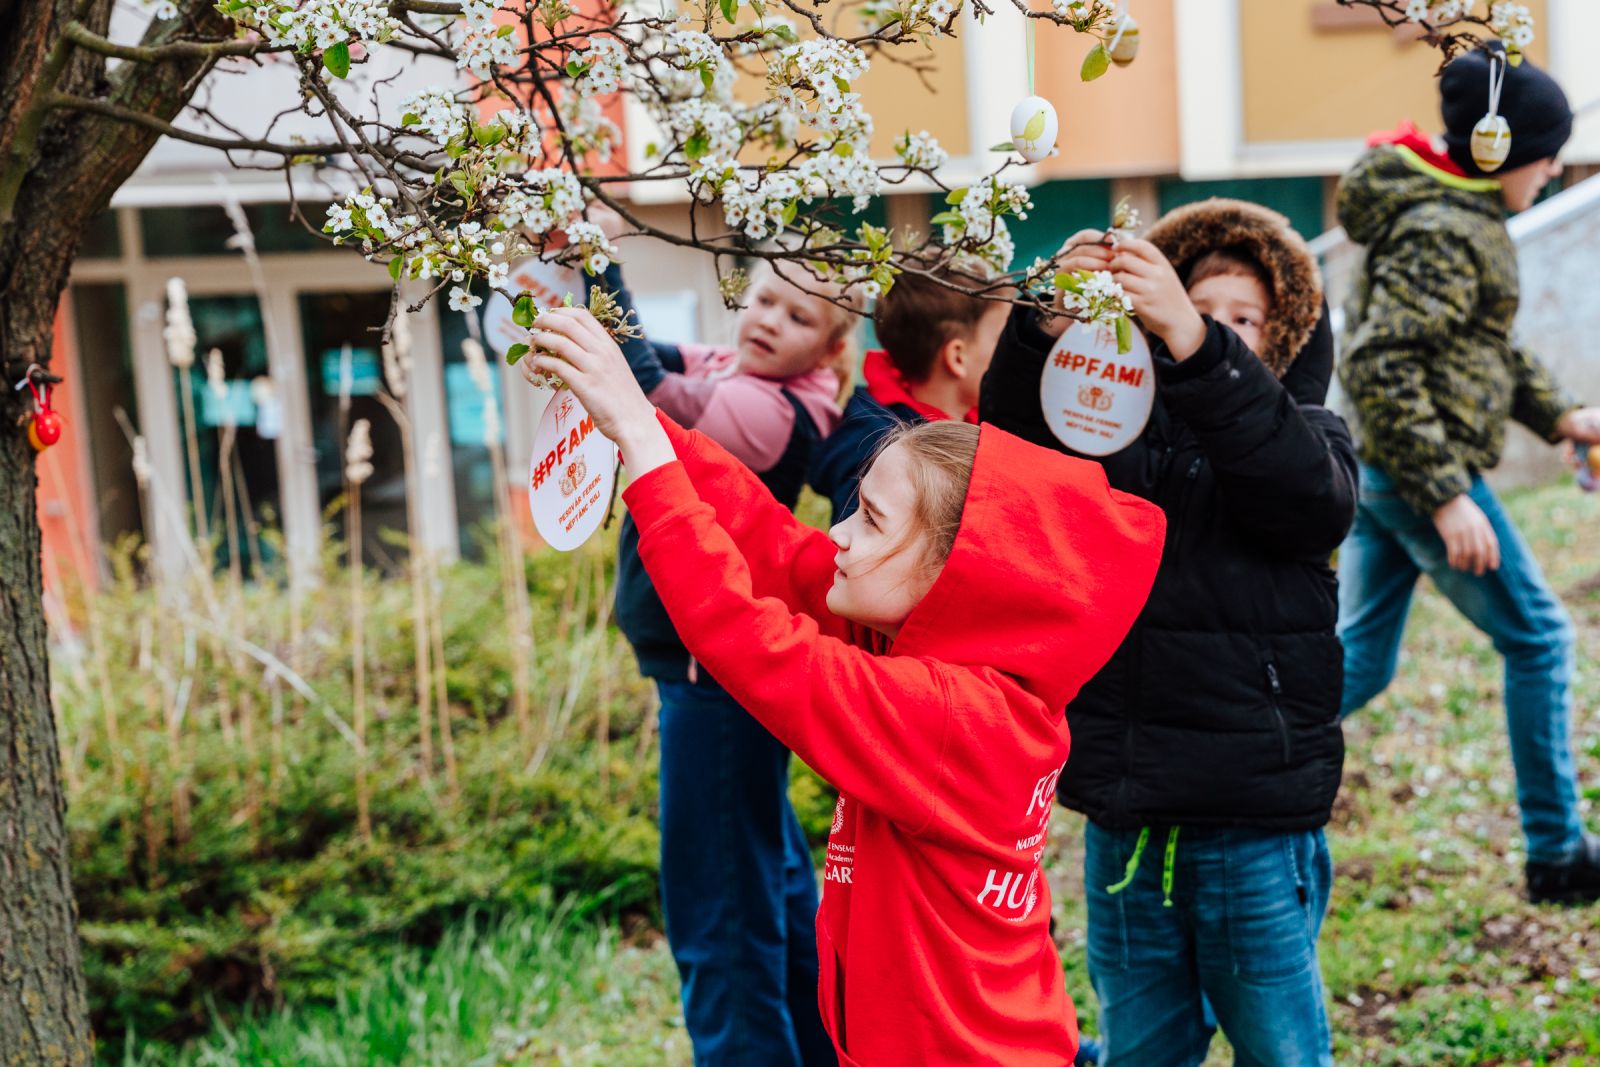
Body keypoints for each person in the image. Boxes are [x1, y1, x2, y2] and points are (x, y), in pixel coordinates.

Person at [518, 305, 1165, 1065]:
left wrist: (641, 444)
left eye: (872, 521)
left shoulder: (951, 716)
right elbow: (779, 549)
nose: (841, 532)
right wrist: (643, 424)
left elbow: (752, 642)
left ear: (955, 578)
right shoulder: (949, 657)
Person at [980, 199, 1358, 1066]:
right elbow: (1014, 450)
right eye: (1193, 306)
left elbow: (1305, 498)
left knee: (1281, 1049)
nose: (1212, 327)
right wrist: (1046, 326)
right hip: (1129, 815)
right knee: (1142, 1044)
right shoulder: (1114, 434)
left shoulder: (1311, 436)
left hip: (1252, 822)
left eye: (1242, 320)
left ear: (1286, 338)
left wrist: (1198, 343)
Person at [1335, 44, 1600, 905]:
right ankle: (1557, 852)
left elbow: (1482, 345)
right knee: (1541, 638)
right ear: (1500, 150)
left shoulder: (1458, 213)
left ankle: (1223, 757)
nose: (1552, 169)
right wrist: (1448, 495)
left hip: (1389, 470)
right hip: (1420, 471)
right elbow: (1381, 364)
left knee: (1357, 662)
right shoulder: (1443, 230)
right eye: (1545, 153)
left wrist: (1561, 414)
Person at [589, 245, 856, 1065]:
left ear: (831, 348)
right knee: (767, 883)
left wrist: (596, 258)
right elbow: (650, 352)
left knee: (720, 914)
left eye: (798, 316)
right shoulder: (739, 373)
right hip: (714, 677)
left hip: (713, 681)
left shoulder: (769, 412)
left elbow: (638, 388)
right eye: (765, 300)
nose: (769, 321)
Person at [809, 266, 1009, 523]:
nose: (1012, 353)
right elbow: (863, 541)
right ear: (957, 356)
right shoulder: (880, 449)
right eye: (1001, 340)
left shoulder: (981, 421)